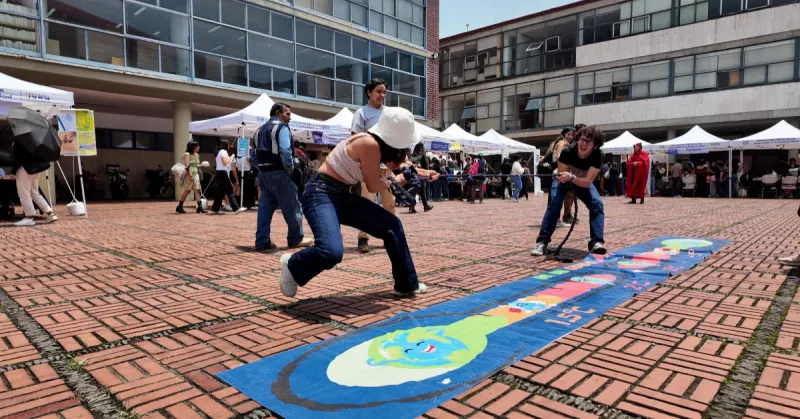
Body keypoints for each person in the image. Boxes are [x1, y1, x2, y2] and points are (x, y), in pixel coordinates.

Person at [280, 107, 426, 298]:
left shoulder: (374, 144)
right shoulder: (369, 143)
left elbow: (387, 173)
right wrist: (398, 180)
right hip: (320, 193)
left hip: (343, 195)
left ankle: (406, 284)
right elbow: (374, 186)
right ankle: (292, 265)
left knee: (392, 225)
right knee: (331, 252)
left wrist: (419, 174)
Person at [531, 126, 606, 257]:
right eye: (582, 139)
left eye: (589, 142)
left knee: (597, 204)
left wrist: (573, 178)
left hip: (582, 182)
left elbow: (588, 181)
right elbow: (561, 175)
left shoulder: (598, 155)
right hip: (564, 181)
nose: (584, 144)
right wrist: (566, 179)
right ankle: (542, 242)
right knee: (554, 204)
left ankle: (596, 242)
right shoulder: (567, 151)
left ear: (595, 145)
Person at [252, 103, 313, 251]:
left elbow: (252, 155)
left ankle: (262, 241)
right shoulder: (282, 128)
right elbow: (285, 150)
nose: (290, 117)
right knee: (292, 207)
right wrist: (290, 169)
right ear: (278, 113)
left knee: (265, 208)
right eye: (287, 114)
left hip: (264, 174)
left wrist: (261, 168)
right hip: (280, 172)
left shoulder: (259, 130)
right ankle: (295, 238)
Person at [352, 78, 395, 254]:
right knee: (367, 202)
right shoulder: (361, 113)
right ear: (369, 92)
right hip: (369, 165)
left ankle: (390, 235)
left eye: (384, 92)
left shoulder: (390, 113)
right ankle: (363, 237)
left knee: (390, 202)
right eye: (378, 91)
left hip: (387, 164)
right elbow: (355, 137)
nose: (382, 95)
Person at [12, 138, 57, 226]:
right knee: (34, 192)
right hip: (36, 168)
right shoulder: (37, 140)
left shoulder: (20, 140)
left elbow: (18, 157)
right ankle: (49, 213)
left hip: (25, 168)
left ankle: (29, 217)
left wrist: (13, 148)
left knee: (24, 193)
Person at [176, 141, 206, 214]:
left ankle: (199, 207)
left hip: (196, 174)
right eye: (197, 146)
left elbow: (196, 165)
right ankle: (180, 206)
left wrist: (202, 165)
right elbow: (188, 165)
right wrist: (190, 175)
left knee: (197, 190)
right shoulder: (187, 154)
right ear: (193, 147)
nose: (199, 147)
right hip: (190, 174)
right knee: (188, 190)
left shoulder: (197, 155)